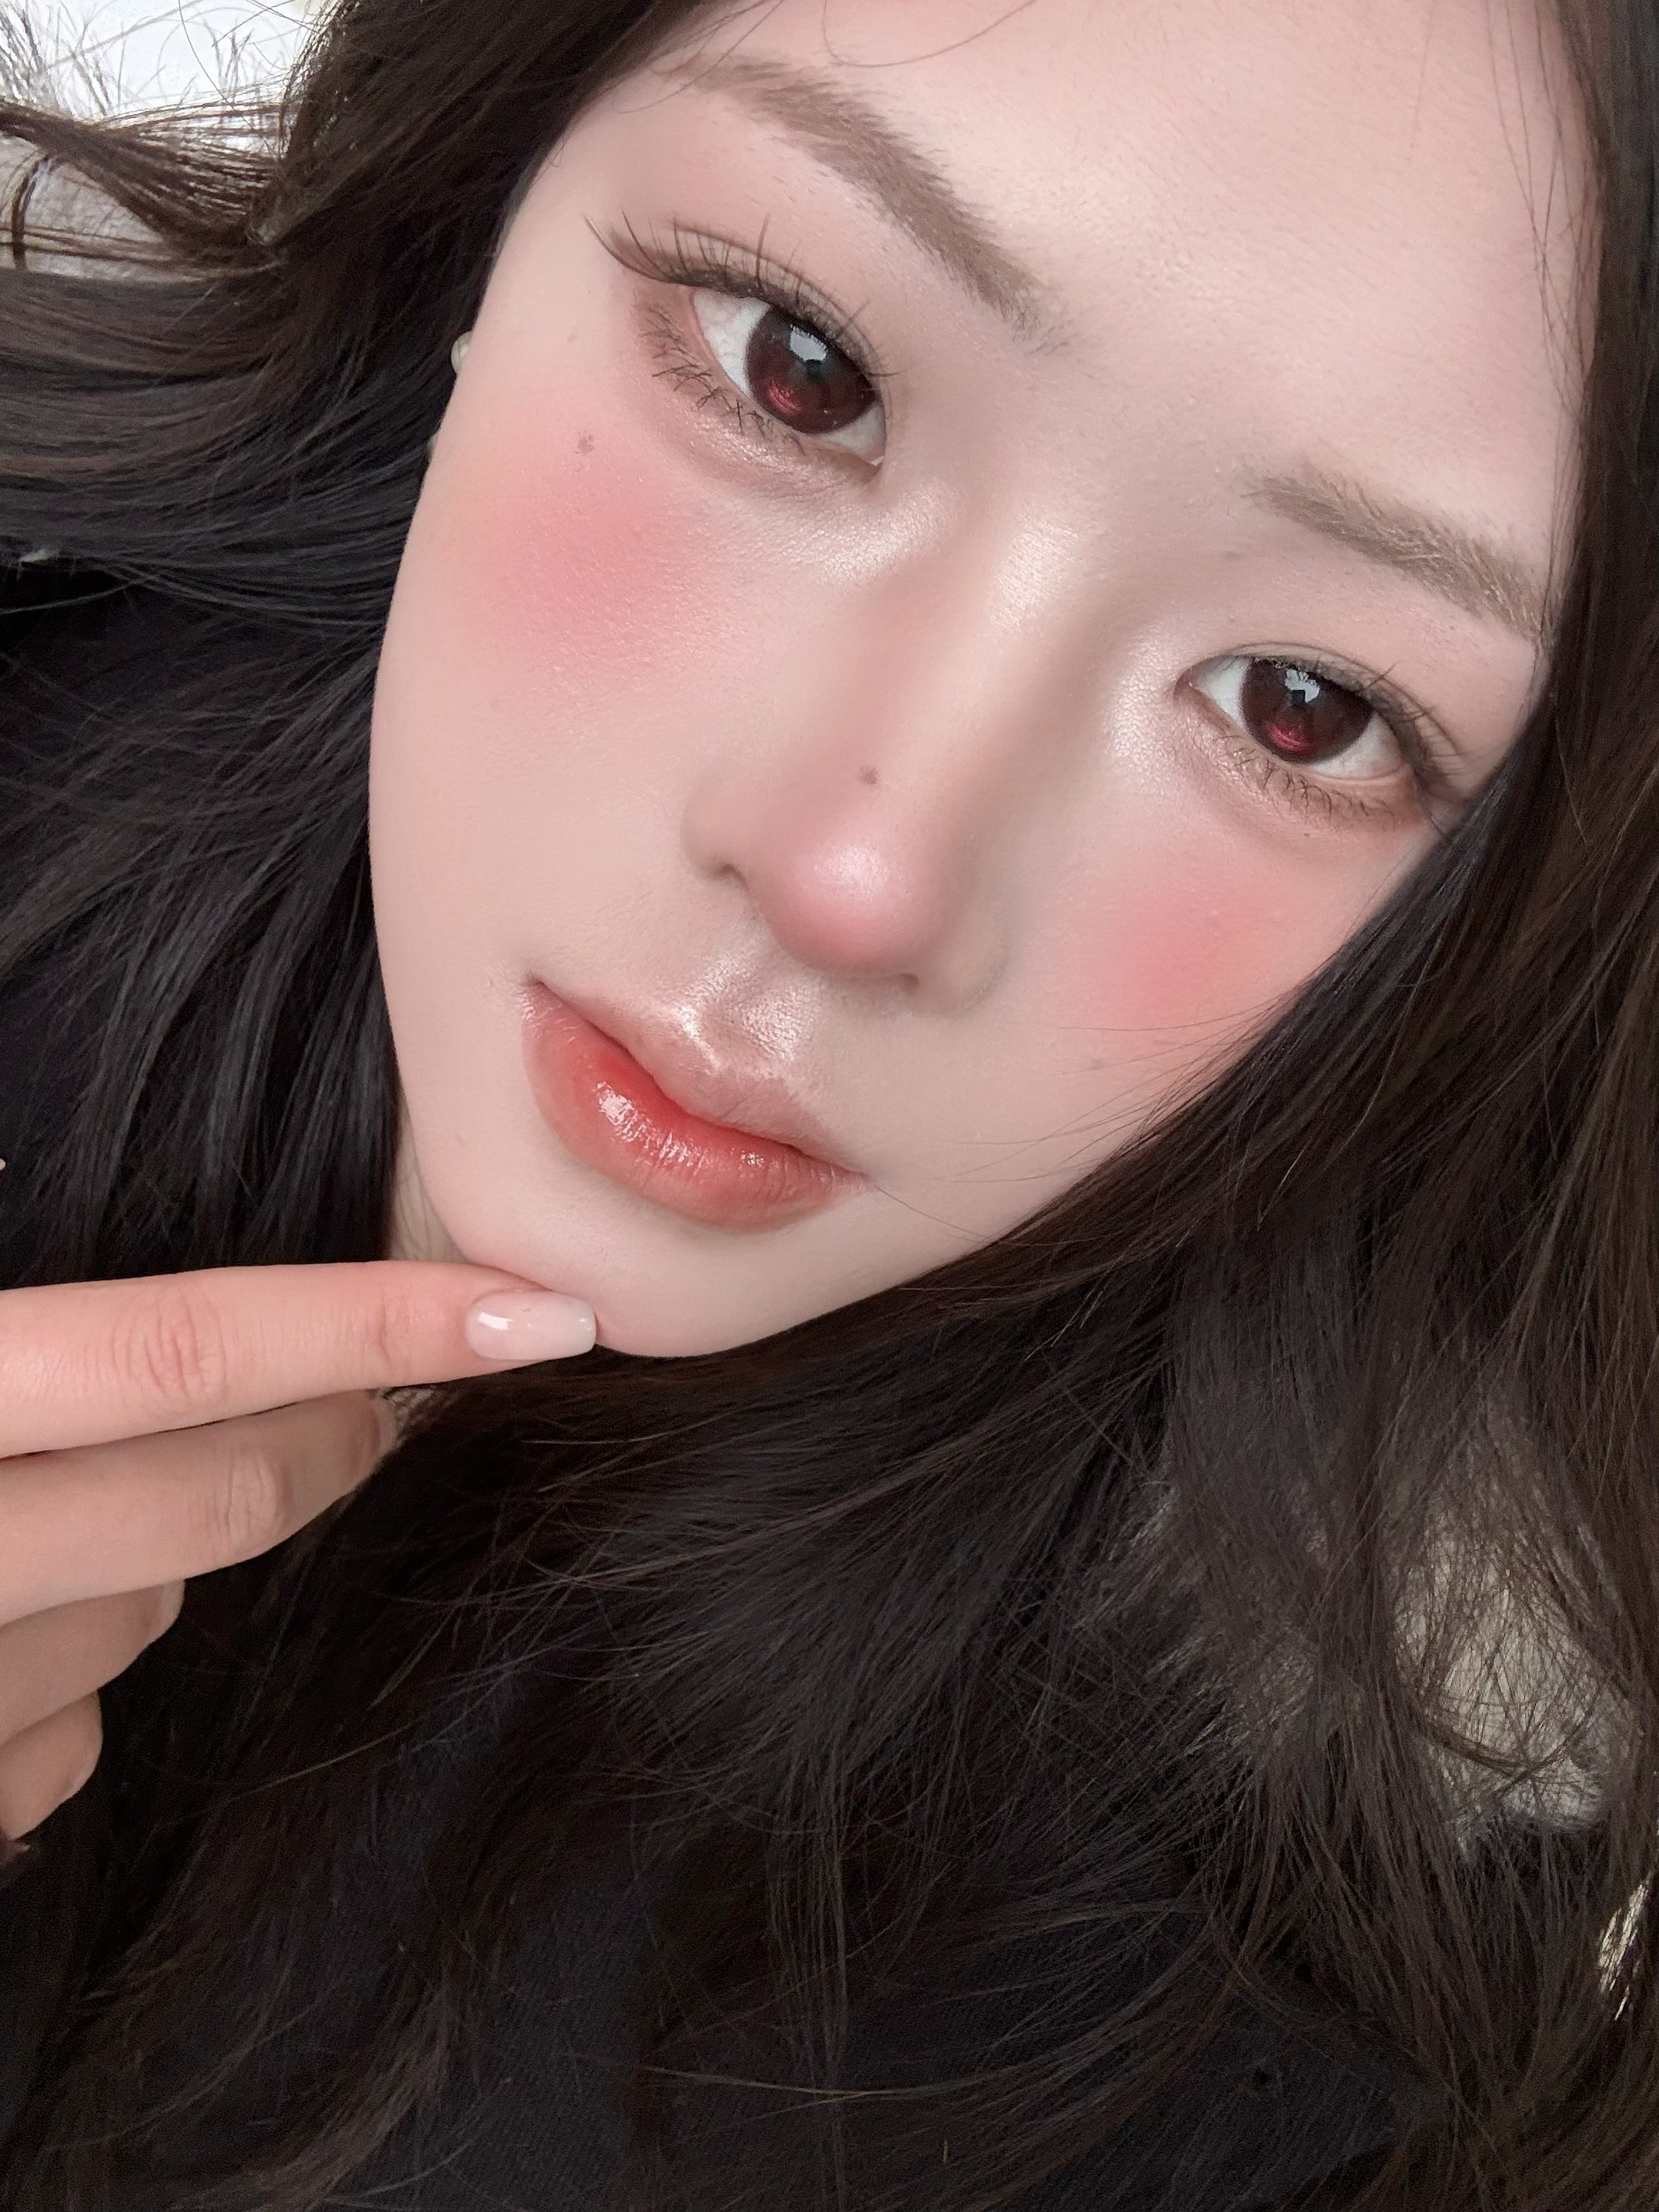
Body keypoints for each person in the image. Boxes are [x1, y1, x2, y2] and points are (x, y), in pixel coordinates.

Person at [0, 0, 1649, 2202]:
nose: (854, 876)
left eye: (1298, 707)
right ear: (486, 199)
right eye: (803, 372)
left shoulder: (1258, 2002)